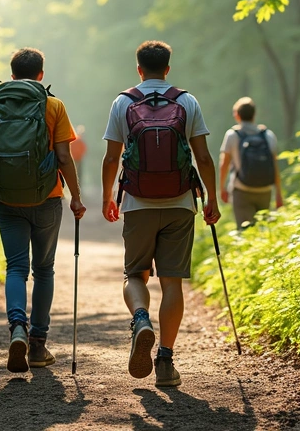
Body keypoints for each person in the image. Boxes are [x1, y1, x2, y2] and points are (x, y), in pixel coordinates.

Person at [101, 40, 220, 388]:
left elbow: (111, 158)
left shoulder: (122, 102)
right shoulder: (187, 101)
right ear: (168, 68)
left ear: (139, 69)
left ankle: (141, 319)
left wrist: (110, 196)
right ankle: (165, 362)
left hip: (137, 203)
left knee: (134, 275)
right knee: (172, 282)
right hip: (180, 203)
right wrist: (212, 197)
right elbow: (204, 157)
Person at [0, 47, 87, 373]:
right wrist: (76, 197)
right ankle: (37, 346)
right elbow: (64, 158)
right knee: (44, 270)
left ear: (11, 75)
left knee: (16, 268)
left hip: (7, 200)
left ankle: (17, 329)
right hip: (48, 199)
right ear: (41, 75)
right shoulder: (53, 106)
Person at [219, 97, 285, 230]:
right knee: (264, 231)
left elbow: (224, 164)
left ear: (237, 115)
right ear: (254, 115)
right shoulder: (268, 135)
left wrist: (222, 188)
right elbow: (275, 167)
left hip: (241, 190)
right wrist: (278, 193)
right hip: (265, 190)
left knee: (245, 232)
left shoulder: (232, 135)